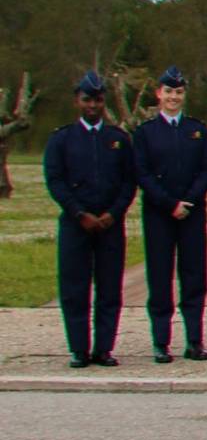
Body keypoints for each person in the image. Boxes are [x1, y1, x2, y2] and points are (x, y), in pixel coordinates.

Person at [46, 71, 136, 368]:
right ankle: (78, 350)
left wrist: (113, 213)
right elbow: (55, 181)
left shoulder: (118, 140)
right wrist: (79, 213)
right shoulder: (62, 139)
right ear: (77, 101)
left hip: (110, 225)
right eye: (87, 100)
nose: (93, 106)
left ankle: (104, 349)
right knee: (75, 289)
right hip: (76, 224)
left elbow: (128, 182)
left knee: (109, 289)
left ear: (103, 101)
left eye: (97, 100)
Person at [132, 66, 207, 363]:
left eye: (178, 93)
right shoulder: (145, 133)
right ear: (159, 94)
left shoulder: (197, 130)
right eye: (168, 92)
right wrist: (169, 204)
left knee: (194, 278)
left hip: (192, 214)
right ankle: (161, 342)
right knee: (160, 277)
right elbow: (142, 173)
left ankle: (194, 340)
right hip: (159, 214)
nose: (173, 98)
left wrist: (189, 201)